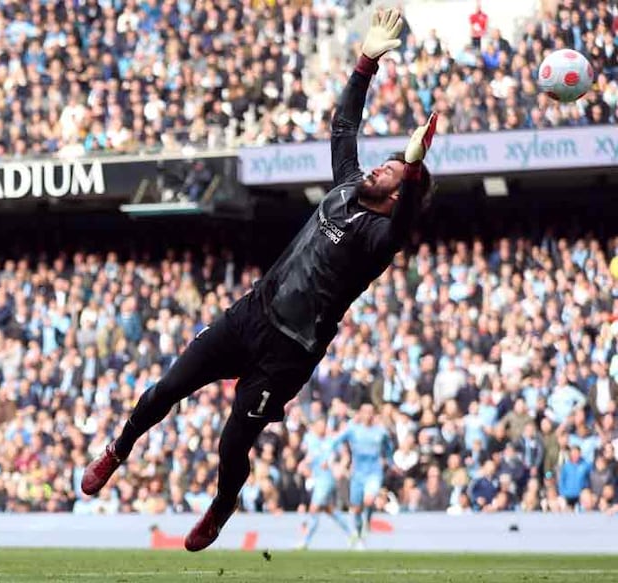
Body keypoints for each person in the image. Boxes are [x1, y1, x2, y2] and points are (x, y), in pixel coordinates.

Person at [80, 8, 437, 552]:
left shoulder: (377, 239)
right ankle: (118, 449)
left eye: (387, 171)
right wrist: (365, 62)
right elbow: (344, 127)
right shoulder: (344, 189)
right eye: (384, 165)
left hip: (288, 352)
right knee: (168, 388)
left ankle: (223, 505)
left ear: (394, 196)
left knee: (233, 442)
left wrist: (412, 170)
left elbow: (407, 221)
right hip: (250, 315)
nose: (375, 168)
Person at [331, 404, 394, 548]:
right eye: (365, 412)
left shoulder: (381, 432)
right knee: (357, 508)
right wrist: (338, 459)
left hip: (374, 472)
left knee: (369, 500)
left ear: (374, 414)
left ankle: (368, 522)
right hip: (357, 474)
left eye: (371, 412)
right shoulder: (353, 430)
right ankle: (359, 534)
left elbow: (389, 447)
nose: (368, 415)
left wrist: (390, 462)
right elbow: (335, 442)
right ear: (360, 414)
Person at [296, 419, 355, 550]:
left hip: (327, 479)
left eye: (324, 426)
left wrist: (340, 466)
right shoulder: (309, 439)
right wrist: (304, 464)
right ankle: (352, 533)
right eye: (320, 426)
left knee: (313, 508)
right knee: (328, 509)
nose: (322, 429)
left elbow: (345, 455)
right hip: (316, 479)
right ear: (314, 427)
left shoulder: (331, 441)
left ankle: (305, 542)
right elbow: (305, 455)